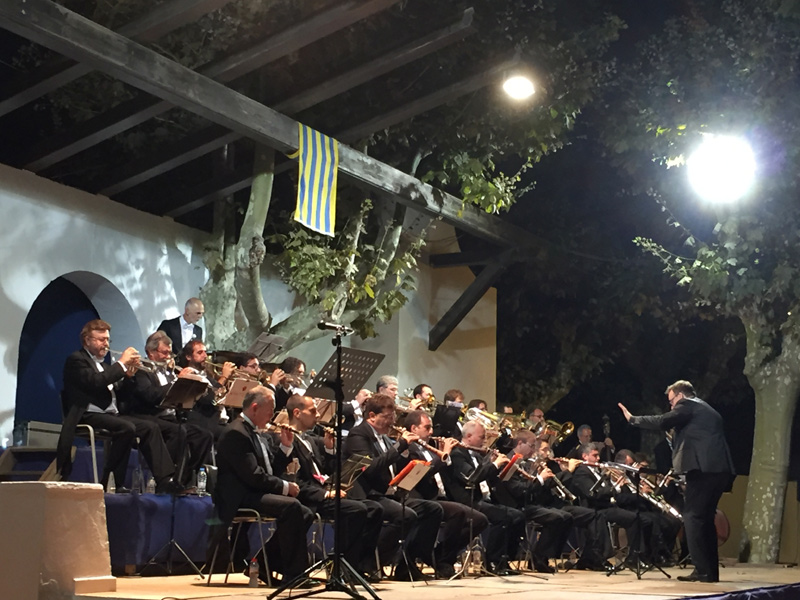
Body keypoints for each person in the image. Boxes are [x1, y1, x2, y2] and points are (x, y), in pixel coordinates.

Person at [619, 380, 735, 583]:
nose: (671, 406)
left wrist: (633, 419)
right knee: (705, 519)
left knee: (691, 517)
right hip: (719, 470)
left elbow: (663, 420)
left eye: (671, 401)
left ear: (680, 396)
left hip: (703, 470)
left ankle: (702, 570)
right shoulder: (706, 410)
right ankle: (709, 572)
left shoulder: (688, 405)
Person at [56, 319, 183, 493]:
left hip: (111, 415)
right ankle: (110, 477)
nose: (106, 344)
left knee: (150, 427)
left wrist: (129, 377)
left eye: (107, 339)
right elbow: (95, 382)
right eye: (101, 339)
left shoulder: (106, 366)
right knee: (126, 428)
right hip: (88, 414)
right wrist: (121, 364)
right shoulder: (76, 360)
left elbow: (119, 395)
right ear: (87, 340)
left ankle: (164, 479)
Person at [213, 385, 317, 587]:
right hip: (239, 497)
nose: (273, 415)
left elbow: (269, 472)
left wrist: (285, 447)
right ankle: (294, 575)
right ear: (255, 408)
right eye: (270, 409)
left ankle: (264, 563)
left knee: (305, 512)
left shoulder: (256, 433)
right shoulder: (237, 433)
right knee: (293, 506)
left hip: (254, 491)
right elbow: (253, 476)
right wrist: (286, 487)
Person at [343, 393, 443, 581]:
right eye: (388, 417)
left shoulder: (385, 439)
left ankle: (407, 565)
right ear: (372, 415)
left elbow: (395, 467)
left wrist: (408, 459)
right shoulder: (359, 434)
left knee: (432, 509)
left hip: (389, 494)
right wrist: (400, 445)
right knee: (404, 514)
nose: (392, 421)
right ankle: (370, 563)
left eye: (393, 417)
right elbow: (371, 469)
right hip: (367, 494)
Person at [284, 394, 383, 581]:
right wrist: (325, 493)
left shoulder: (312, 440)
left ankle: (358, 566)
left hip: (325, 492)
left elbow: (323, 473)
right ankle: (342, 567)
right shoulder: (288, 440)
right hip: (309, 499)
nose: (318, 416)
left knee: (374, 508)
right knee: (356, 509)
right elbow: (297, 481)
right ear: (297, 413)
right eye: (312, 411)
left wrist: (330, 451)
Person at [405, 409, 489, 578]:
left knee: (480, 520)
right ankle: (444, 561)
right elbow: (422, 474)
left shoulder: (427, 447)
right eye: (427, 428)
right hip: (419, 497)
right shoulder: (409, 448)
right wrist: (445, 454)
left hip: (439, 497)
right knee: (456, 512)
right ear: (413, 429)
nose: (431, 432)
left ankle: (440, 554)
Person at [122, 330, 213, 484]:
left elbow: (178, 398)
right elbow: (150, 396)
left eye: (170, 353)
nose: (168, 356)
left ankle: (186, 479)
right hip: (149, 415)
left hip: (170, 417)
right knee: (178, 431)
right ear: (151, 353)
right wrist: (177, 382)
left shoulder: (169, 372)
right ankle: (166, 480)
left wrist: (192, 389)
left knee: (204, 435)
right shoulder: (142, 370)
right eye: (164, 352)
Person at [445, 420, 525, 576]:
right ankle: (493, 561)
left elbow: (490, 479)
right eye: (482, 437)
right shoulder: (457, 454)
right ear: (468, 436)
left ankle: (505, 559)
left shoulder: (480, 454)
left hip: (485, 499)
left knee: (518, 516)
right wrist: (494, 464)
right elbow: (471, 478)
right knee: (504, 517)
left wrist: (503, 468)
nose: (484, 441)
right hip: (468, 500)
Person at [181, 340, 234, 440]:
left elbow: (224, 396)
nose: (205, 356)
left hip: (219, 421)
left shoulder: (208, 377)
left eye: (205, 352)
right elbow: (210, 399)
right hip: (205, 423)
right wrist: (224, 377)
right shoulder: (189, 376)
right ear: (188, 357)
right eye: (200, 353)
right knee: (235, 435)